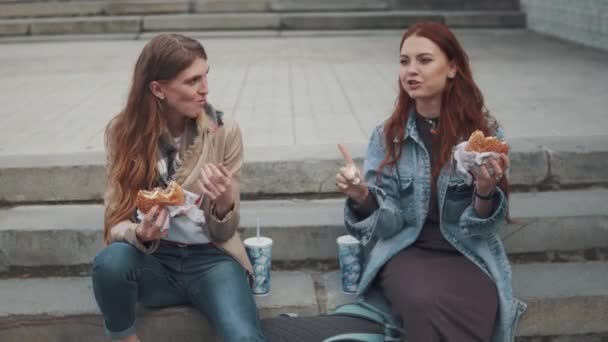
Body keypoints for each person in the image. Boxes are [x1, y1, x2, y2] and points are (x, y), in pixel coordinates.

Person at [335, 22, 526, 342]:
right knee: (422, 300)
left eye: (424, 60)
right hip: (408, 249)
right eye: (404, 61)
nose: (411, 70)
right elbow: (389, 226)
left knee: (478, 303)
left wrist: (484, 190)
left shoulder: (485, 135)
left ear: (452, 67)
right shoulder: (388, 136)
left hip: (468, 252)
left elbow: (482, 228)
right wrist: (362, 196)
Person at [92, 33, 266, 342]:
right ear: (158, 89)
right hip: (155, 262)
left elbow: (225, 234)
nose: (205, 89)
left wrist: (224, 203)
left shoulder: (224, 132)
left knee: (244, 337)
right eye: (192, 81)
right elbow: (114, 222)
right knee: (110, 261)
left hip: (213, 260)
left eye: (206, 76)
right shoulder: (125, 134)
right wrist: (140, 234)